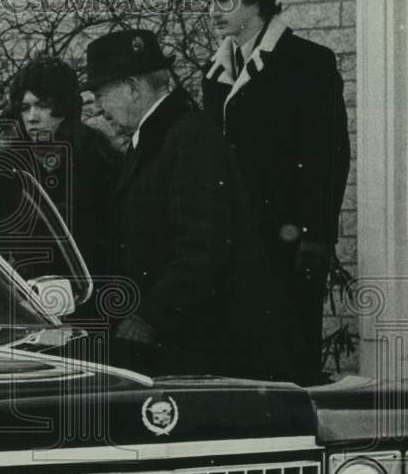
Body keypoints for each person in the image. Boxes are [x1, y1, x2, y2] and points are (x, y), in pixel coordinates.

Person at [87, 28, 298, 380]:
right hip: (188, 339)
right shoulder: (163, 136)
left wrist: (150, 317)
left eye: (100, 93)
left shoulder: (188, 139)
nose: (98, 107)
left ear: (132, 87)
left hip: (210, 347)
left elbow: (203, 247)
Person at [199, 0, 351, 381]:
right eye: (209, 3)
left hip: (289, 244)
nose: (213, 12)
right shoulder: (215, 73)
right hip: (234, 245)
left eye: (224, 1)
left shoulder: (308, 62)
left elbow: (329, 156)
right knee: (238, 360)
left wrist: (316, 237)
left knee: (286, 359)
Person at [0, 59, 120, 282]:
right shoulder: (8, 169)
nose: (32, 117)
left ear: (65, 108)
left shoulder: (100, 162)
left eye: (43, 105)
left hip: (93, 295)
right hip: (29, 300)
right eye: (24, 108)